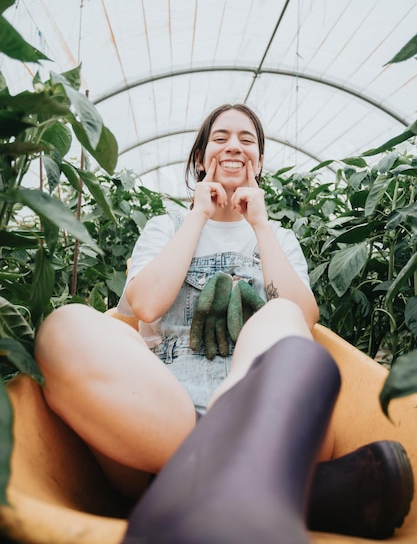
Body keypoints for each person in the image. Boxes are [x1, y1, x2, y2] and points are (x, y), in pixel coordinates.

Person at [35, 104, 413, 543]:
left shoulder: (277, 236)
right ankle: (302, 491)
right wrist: (198, 214)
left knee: (282, 312)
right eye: (220, 138)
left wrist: (261, 224)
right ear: (200, 158)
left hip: (272, 422)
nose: (233, 145)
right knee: (62, 327)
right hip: (154, 421)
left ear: (260, 162)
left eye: (246, 140)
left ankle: (191, 486)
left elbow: (303, 320)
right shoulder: (168, 224)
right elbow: (148, 304)